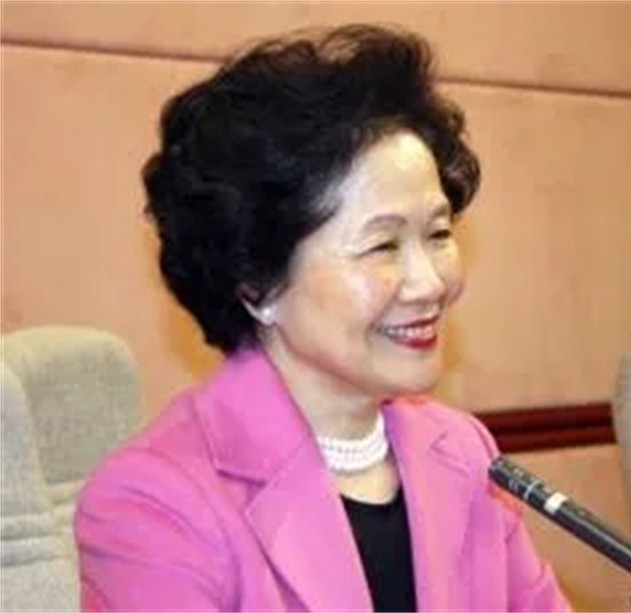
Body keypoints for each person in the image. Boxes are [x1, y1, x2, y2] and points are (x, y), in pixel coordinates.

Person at [75, 24, 571, 612]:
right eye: (383, 246)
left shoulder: (464, 453)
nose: (431, 282)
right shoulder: (154, 503)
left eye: (438, 234)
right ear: (258, 282)